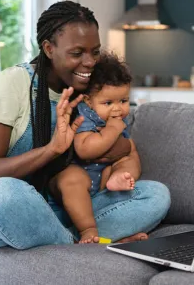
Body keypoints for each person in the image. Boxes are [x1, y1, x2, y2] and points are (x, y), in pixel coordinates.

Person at [0, 0, 171, 253]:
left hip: (67, 209)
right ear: (49, 48)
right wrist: (52, 149)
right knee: (2, 192)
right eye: (77, 53)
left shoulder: (91, 87)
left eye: (95, 52)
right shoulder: (15, 82)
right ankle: (79, 245)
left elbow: (118, 145)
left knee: (155, 194)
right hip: (10, 209)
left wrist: (121, 146)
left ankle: (72, 239)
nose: (89, 62)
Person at [50, 52, 138, 244]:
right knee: (71, 178)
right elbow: (85, 150)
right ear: (88, 101)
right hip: (76, 180)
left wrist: (122, 169)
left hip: (102, 187)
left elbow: (126, 150)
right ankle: (88, 230)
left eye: (123, 101)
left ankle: (119, 179)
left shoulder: (114, 118)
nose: (118, 109)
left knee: (133, 158)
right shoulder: (85, 115)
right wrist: (113, 131)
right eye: (108, 103)